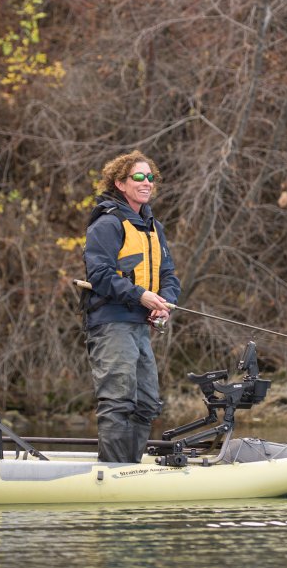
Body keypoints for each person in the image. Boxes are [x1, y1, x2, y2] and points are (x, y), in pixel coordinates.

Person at [82, 150, 181, 463]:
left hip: (139, 326)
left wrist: (165, 303)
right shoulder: (107, 224)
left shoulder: (153, 227)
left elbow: (168, 275)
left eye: (150, 177)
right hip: (111, 324)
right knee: (118, 402)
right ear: (120, 183)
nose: (146, 182)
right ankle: (114, 471)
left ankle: (131, 467)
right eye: (138, 177)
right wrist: (140, 296)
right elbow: (99, 274)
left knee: (147, 403)